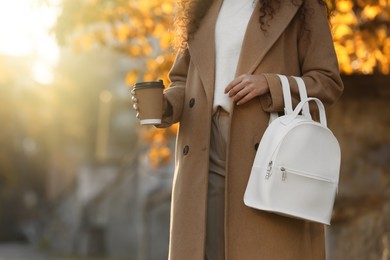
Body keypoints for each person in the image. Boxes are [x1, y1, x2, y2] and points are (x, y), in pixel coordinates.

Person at [132, 0, 344, 259]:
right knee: (205, 249)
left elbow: (327, 81)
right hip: (203, 148)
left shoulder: (301, 6)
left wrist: (270, 84)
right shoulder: (202, 7)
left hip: (269, 152)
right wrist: (165, 105)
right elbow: (182, 81)